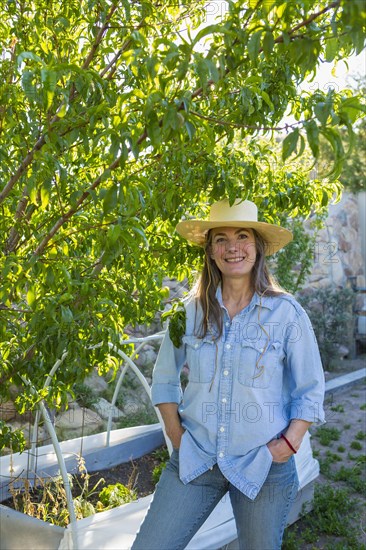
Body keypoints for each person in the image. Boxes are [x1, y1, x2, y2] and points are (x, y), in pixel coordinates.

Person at [131, 198, 325, 550]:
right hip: (196, 460)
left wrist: (287, 444)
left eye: (242, 236)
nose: (232, 247)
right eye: (221, 238)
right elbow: (164, 378)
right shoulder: (188, 313)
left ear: (258, 247)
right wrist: (177, 437)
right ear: (210, 250)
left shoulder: (287, 314)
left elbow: (310, 390)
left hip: (263, 464)